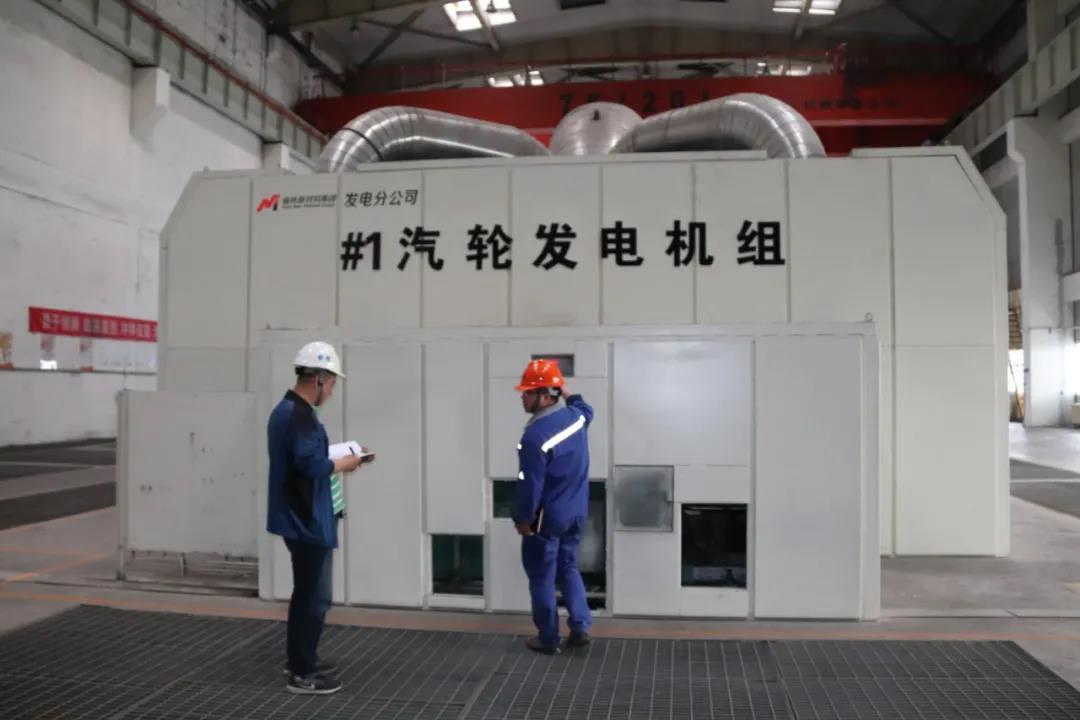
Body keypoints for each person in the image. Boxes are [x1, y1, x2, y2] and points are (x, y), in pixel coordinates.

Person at [267, 341, 370, 695]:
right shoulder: (299, 417)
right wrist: (347, 462)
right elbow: (311, 466)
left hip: (302, 516)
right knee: (313, 598)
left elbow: (304, 459)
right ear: (320, 379)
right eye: (333, 383)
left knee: (309, 594)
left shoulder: (289, 411)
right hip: (307, 520)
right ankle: (302, 672)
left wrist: (337, 458)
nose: (332, 391)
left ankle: (301, 658)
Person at [513, 358, 594, 655]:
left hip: (547, 519)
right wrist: (563, 388)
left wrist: (524, 519)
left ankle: (548, 638)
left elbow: (530, 485)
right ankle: (580, 627)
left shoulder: (534, 437)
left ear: (546, 396)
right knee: (569, 567)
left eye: (528, 392)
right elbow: (586, 408)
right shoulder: (576, 418)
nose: (522, 397)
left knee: (542, 576)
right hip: (576, 512)